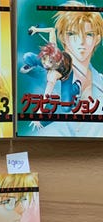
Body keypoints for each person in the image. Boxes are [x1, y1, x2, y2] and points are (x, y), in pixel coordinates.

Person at [36, 1, 103, 137]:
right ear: (63, 37)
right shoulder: (42, 79)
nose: (81, 41)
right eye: (72, 34)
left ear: (97, 39)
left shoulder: (100, 82)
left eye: (89, 34)